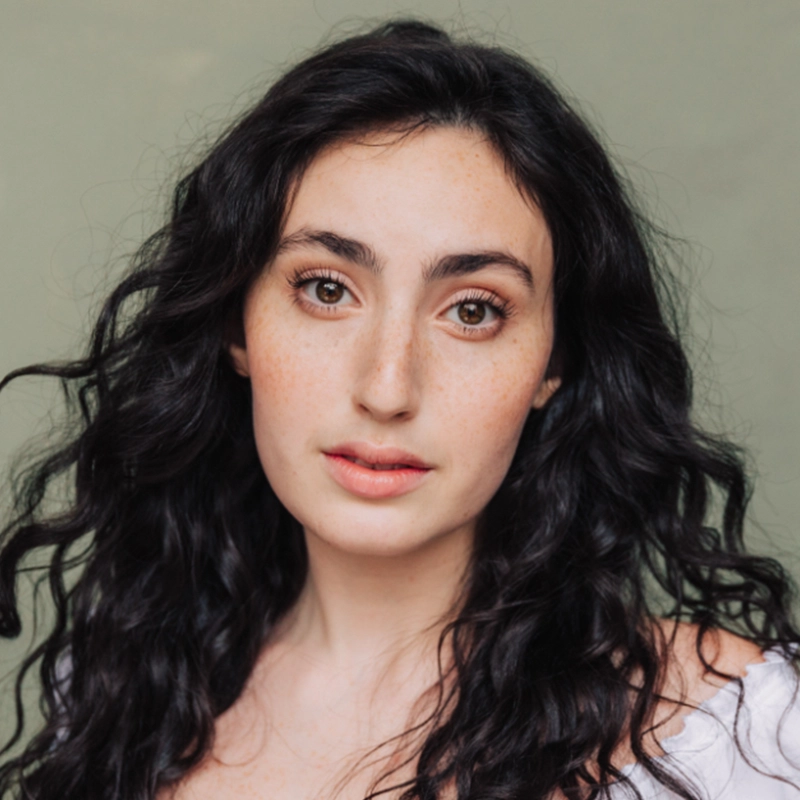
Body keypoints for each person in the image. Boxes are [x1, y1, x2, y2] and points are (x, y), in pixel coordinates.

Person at [0, 18, 798, 800]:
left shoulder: (735, 737)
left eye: (474, 310)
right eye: (326, 289)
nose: (387, 389)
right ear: (234, 325)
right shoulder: (124, 701)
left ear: (556, 363)